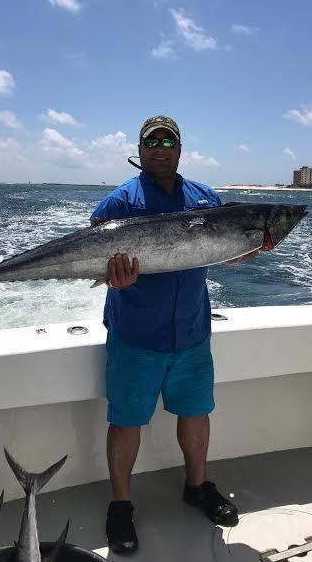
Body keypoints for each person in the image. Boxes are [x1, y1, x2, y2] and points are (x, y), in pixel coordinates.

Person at [91, 116, 257, 555]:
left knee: (197, 413)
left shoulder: (206, 198)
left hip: (192, 334)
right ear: (139, 148)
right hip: (135, 335)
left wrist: (250, 247)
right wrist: (112, 279)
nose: (160, 148)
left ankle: (197, 487)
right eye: (151, 141)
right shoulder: (118, 203)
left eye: (168, 141)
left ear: (180, 148)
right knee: (127, 422)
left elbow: (223, 254)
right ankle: (121, 506)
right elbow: (91, 259)